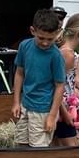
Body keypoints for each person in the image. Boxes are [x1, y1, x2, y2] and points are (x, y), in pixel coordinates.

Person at [11, 9, 66, 149]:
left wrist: (52, 116)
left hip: (44, 109)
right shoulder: (25, 46)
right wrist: (16, 102)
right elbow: (19, 73)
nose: (46, 43)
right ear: (32, 30)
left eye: (50, 39)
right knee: (20, 144)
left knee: (38, 149)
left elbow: (60, 86)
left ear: (57, 33)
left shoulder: (56, 55)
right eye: (41, 38)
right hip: (26, 104)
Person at [54, 13, 79, 147]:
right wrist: (65, 113)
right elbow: (55, 86)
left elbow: (64, 79)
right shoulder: (67, 54)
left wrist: (75, 81)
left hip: (64, 109)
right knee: (72, 151)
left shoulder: (69, 53)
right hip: (62, 111)